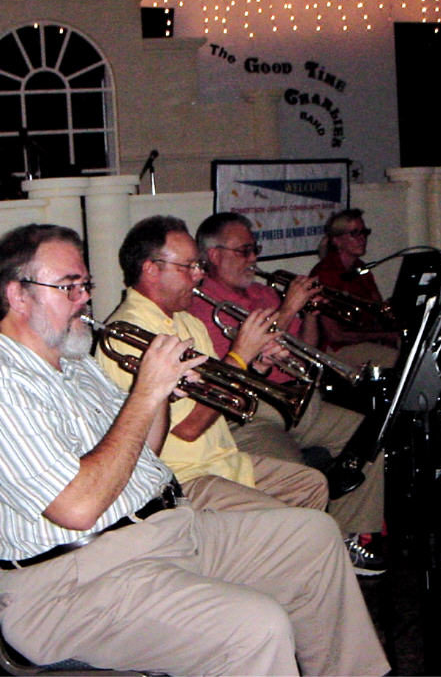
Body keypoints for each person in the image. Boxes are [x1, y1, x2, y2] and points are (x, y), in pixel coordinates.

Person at [0, 222, 389, 676]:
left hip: (162, 533)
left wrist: (162, 396)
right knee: (255, 627)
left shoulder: (74, 367)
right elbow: (77, 507)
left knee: (313, 538)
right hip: (75, 583)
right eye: (69, 287)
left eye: (86, 285)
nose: (84, 299)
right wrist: (145, 393)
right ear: (17, 295)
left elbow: (144, 452)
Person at [96, 215, 384, 574]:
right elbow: (187, 429)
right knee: (303, 527)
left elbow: (217, 399)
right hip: (184, 476)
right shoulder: (131, 333)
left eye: (198, 266)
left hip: (221, 460)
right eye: (188, 267)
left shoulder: (186, 322)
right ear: (151, 270)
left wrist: (255, 367)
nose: (198, 275)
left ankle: (306, 571)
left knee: (311, 484)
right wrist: (240, 357)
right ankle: (297, 573)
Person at [191, 212, 386, 573]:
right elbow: (234, 366)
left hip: (298, 400)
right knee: (293, 472)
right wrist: (289, 308)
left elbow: (305, 350)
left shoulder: (263, 292)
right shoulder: (200, 305)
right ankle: (303, 562)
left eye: (255, 249)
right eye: (244, 250)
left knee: (369, 435)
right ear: (214, 255)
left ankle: (351, 536)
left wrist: (309, 311)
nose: (254, 258)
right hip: (251, 411)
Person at [310, 208, 401, 369]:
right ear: (337, 240)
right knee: (398, 360)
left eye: (364, 232)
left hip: (363, 340)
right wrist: (384, 336)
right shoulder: (325, 273)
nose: (362, 238)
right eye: (354, 233)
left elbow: (379, 310)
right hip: (337, 348)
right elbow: (335, 335)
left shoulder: (360, 268)